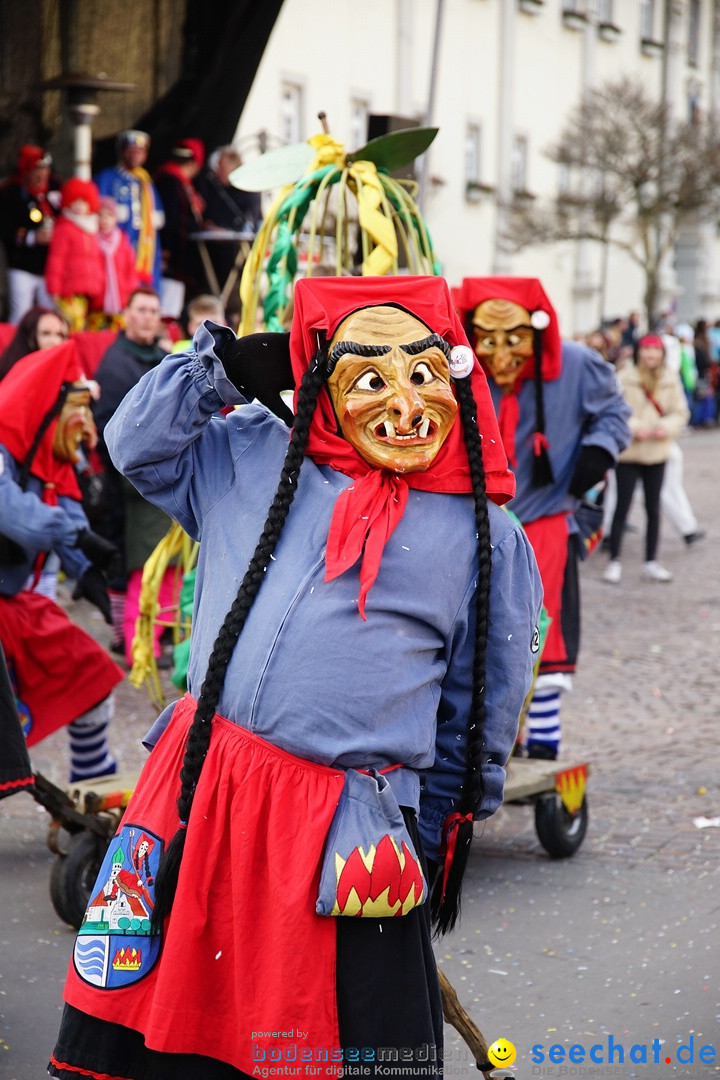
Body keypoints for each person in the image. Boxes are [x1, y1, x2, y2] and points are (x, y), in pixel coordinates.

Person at [49, 274, 542, 1080]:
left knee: (339, 1050)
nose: (403, 403)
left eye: (422, 373)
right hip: (200, 793)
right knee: (164, 1033)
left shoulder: (483, 534)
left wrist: (430, 834)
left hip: (345, 834)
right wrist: (228, 371)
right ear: (323, 380)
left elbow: (478, 708)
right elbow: (133, 442)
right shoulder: (251, 450)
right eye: (370, 377)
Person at [457, 276, 631, 760]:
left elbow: (615, 412)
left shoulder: (575, 365)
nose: (500, 353)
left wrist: (597, 453)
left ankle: (545, 738)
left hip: (545, 518)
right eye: (486, 339)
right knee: (478, 632)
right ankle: (494, 739)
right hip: (476, 521)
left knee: (541, 627)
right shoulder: (461, 369)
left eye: (513, 338)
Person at [0, 341, 124, 782]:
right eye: (76, 407)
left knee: (90, 675)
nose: (84, 422)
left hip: (17, 605)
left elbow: (68, 507)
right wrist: (77, 537)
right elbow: (12, 513)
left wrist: (88, 569)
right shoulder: (5, 446)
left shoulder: (47, 451)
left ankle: (90, 783)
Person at [91, 287, 173, 654]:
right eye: (141, 309)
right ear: (126, 314)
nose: (148, 316)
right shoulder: (115, 364)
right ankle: (131, 637)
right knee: (133, 561)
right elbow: (107, 430)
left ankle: (156, 632)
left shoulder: (163, 358)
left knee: (159, 561)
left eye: (153, 310)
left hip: (159, 477)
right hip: (128, 480)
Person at [603, 335, 690, 584]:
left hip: (657, 451)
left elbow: (680, 412)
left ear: (661, 353)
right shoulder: (624, 378)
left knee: (654, 508)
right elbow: (615, 409)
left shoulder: (670, 380)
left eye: (655, 350)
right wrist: (634, 426)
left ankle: (651, 561)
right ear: (640, 352)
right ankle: (615, 560)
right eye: (647, 350)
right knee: (622, 505)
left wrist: (666, 426)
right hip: (630, 453)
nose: (651, 355)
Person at [194, 145, 262, 319]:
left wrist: (227, 229)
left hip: (238, 251)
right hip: (215, 249)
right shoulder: (214, 187)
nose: (217, 172)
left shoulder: (249, 189)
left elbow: (252, 221)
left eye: (221, 167)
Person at [94, 130, 165, 292]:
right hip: (116, 247)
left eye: (140, 151)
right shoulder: (107, 177)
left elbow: (157, 218)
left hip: (144, 248)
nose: (135, 155)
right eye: (131, 151)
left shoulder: (146, 182)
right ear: (122, 151)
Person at [0, 145, 60, 323]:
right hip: (22, 266)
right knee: (20, 315)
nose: (42, 174)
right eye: (37, 169)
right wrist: (32, 237)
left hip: (50, 267)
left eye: (45, 168)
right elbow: (4, 228)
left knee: (50, 314)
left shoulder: (55, 187)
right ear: (26, 170)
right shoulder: (10, 192)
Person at [45, 178, 105, 333]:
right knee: (71, 329)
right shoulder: (64, 227)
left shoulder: (91, 228)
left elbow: (96, 261)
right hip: (69, 292)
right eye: (75, 201)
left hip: (87, 293)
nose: (79, 206)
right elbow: (56, 260)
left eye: (83, 202)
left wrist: (98, 286)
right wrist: (55, 289)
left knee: (84, 329)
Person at [154, 139, 206, 303]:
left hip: (181, 253)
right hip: (172, 253)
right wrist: (166, 248)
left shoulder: (182, 182)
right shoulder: (169, 181)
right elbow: (170, 218)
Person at [92, 196, 140, 327]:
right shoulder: (91, 240)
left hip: (120, 300)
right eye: (100, 215)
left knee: (118, 335)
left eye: (109, 215)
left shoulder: (122, 241)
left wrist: (130, 297)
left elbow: (130, 271)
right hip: (97, 302)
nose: (105, 219)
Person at [0, 304, 69, 382]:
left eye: (59, 335)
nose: (55, 341)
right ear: (29, 337)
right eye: (46, 333)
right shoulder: (13, 373)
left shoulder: (66, 368)